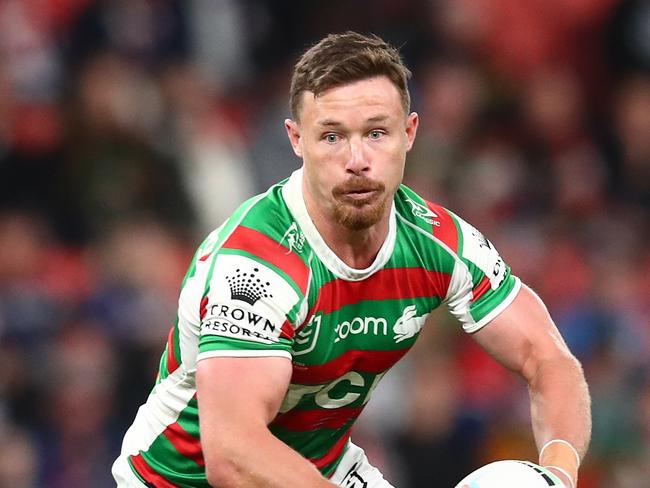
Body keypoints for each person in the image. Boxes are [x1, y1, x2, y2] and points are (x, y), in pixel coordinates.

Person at [112, 32, 591, 488]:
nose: (357, 159)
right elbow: (233, 457)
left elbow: (548, 357)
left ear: (410, 133)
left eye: (376, 133)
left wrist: (557, 475)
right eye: (332, 137)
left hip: (317, 464)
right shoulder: (257, 265)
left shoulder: (439, 243)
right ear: (296, 140)